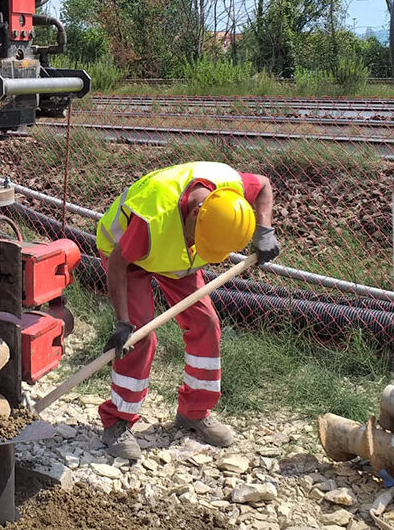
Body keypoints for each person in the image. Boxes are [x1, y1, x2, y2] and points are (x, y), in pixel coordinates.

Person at [95, 161, 280, 460]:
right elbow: (118, 263)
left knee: (206, 324)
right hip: (130, 258)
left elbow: (264, 185)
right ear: (196, 212)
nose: (200, 244)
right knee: (140, 337)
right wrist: (122, 322)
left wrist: (264, 229)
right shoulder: (152, 218)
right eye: (200, 237)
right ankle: (117, 421)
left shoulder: (229, 191)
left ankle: (194, 412)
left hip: (176, 256)